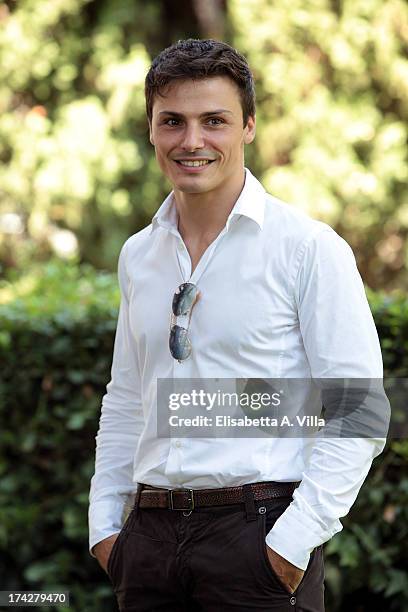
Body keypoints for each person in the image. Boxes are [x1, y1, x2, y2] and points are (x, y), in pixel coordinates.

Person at [88, 39, 387, 611]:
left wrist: (292, 543)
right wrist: (107, 527)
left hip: (259, 541)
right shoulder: (138, 255)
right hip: (147, 544)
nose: (192, 141)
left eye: (214, 121)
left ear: (248, 126)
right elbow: (127, 398)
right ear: (150, 130)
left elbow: (360, 408)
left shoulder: (307, 248)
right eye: (172, 121)